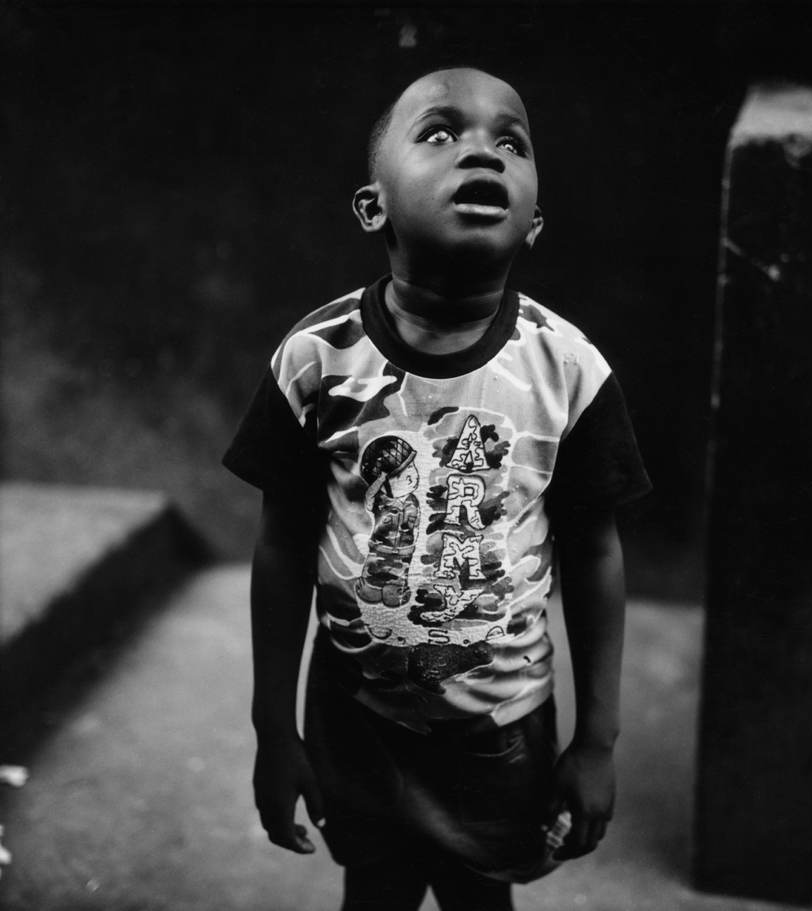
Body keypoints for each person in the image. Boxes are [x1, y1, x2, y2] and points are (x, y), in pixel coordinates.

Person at [223, 66, 651, 911]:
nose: (483, 152)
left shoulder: (569, 370)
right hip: (354, 718)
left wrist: (595, 741)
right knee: (373, 892)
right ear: (373, 206)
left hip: (501, 730)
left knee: (478, 898)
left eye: (511, 141)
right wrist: (276, 730)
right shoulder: (316, 359)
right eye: (441, 133)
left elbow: (597, 555)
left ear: (533, 220)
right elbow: (280, 550)